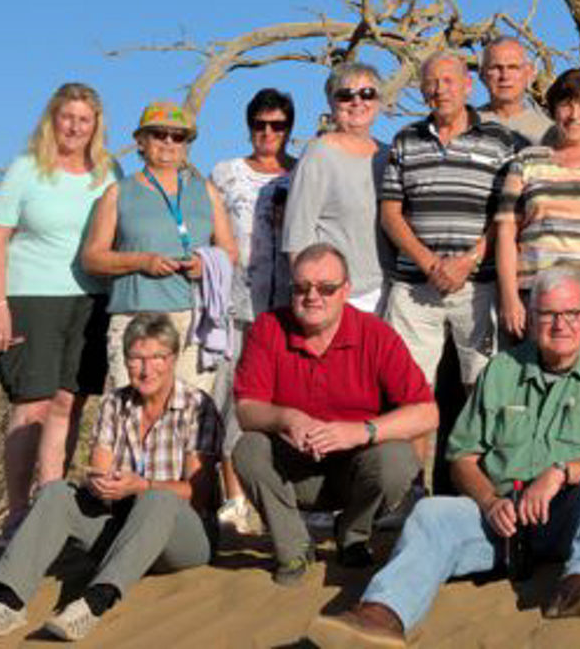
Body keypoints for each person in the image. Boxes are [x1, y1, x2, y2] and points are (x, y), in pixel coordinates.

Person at [306, 267, 580, 647]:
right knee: (430, 514)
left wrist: (561, 473)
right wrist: (489, 501)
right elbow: (462, 457)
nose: (559, 324)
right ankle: (381, 614)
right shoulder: (502, 370)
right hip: (500, 521)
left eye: (570, 314)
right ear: (531, 319)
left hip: (568, 516)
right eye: (548, 314)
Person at [0, 312, 222, 642]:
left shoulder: (197, 406)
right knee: (56, 492)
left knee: (159, 498)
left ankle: (94, 602)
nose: (146, 369)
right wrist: (101, 485)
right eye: (136, 358)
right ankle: (8, 604)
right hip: (121, 528)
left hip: (183, 540)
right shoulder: (116, 403)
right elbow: (98, 470)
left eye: (157, 357)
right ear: (125, 360)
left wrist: (141, 486)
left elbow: (197, 495)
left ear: (172, 359)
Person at [232, 243, 438, 584]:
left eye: (326, 288)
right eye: (302, 288)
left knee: (398, 458)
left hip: (356, 471)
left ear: (346, 291)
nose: (313, 296)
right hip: (293, 471)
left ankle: (354, 534)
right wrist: (288, 418)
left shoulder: (376, 334)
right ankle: (293, 548)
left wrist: (362, 431)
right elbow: (246, 410)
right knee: (248, 448)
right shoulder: (268, 328)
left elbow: (427, 412)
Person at [0, 82, 121, 541]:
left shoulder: (108, 171)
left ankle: (51, 505)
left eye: (85, 119)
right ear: (53, 119)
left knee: (69, 401)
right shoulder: (26, 169)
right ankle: (18, 513)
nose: (75, 127)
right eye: (68, 117)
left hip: (90, 300)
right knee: (33, 404)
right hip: (30, 298)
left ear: (95, 125)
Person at [380, 50, 518, 392]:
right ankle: (417, 449)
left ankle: (472, 449)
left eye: (448, 81)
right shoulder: (406, 139)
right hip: (414, 284)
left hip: (477, 284)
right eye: (431, 83)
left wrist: (467, 261)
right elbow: (390, 213)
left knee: (483, 389)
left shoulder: (499, 140)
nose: (440, 90)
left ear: (468, 86)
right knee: (411, 391)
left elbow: (509, 215)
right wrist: (429, 263)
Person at [81, 101, 236, 394]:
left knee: (191, 420)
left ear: (187, 144)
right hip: (135, 320)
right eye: (158, 134)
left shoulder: (206, 191)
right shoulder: (119, 192)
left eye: (178, 136)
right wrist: (141, 261)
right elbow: (92, 258)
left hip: (194, 324)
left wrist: (206, 265)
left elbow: (230, 251)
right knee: (133, 421)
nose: (168, 142)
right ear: (141, 140)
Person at [210, 87, 297, 534]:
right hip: (236, 305)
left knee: (284, 402)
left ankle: (283, 497)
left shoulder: (301, 173)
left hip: (289, 306)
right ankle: (234, 496)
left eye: (277, 125)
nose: (268, 133)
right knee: (234, 397)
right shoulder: (225, 173)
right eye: (260, 125)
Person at [495, 68, 580, 347]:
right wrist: (509, 296)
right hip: (533, 300)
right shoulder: (527, 160)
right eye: (566, 104)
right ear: (554, 109)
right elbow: (506, 231)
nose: (574, 114)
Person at [283, 62, 389, 315]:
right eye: (345, 95)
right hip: (338, 296)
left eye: (367, 93)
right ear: (331, 104)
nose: (357, 102)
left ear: (378, 102)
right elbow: (298, 233)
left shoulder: (389, 154)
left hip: (389, 292)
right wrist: (313, 296)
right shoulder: (318, 153)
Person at [477, 36, 555, 147]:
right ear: (482, 75)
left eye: (513, 67)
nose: (505, 76)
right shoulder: (465, 125)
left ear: (529, 73)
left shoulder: (550, 133)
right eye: (496, 67)